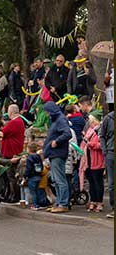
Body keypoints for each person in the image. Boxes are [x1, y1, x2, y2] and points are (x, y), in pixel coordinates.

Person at [41, 85, 72, 213]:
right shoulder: (56, 119)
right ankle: (59, 202)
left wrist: (56, 141)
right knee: (56, 180)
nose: (47, 114)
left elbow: (67, 134)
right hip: (53, 154)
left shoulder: (60, 120)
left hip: (58, 153)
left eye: (48, 112)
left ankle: (63, 203)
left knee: (60, 180)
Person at [0, 104, 26, 203]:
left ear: (10, 113)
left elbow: (2, 133)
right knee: (11, 175)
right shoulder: (19, 121)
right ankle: (11, 194)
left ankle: (15, 196)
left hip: (11, 153)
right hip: (14, 151)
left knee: (11, 176)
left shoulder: (14, 123)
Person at [79, 116, 105, 212]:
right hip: (88, 161)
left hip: (97, 160)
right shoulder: (89, 131)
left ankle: (99, 202)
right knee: (91, 182)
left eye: (91, 121)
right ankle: (93, 200)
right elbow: (84, 143)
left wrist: (90, 144)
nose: (89, 123)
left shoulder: (100, 131)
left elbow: (101, 145)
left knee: (98, 182)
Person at [24, 142, 50, 209]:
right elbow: (41, 166)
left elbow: (28, 168)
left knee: (33, 192)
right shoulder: (38, 157)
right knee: (38, 190)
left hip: (32, 177)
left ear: (29, 149)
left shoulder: (29, 158)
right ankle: (40, 203)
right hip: (38, 176)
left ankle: (35, 205)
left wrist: (25, 175)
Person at [97, 110, 114, 217]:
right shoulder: (108, 118)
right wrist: (104, 150)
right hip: (111, 153)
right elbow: (102, 135)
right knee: (112, 184)